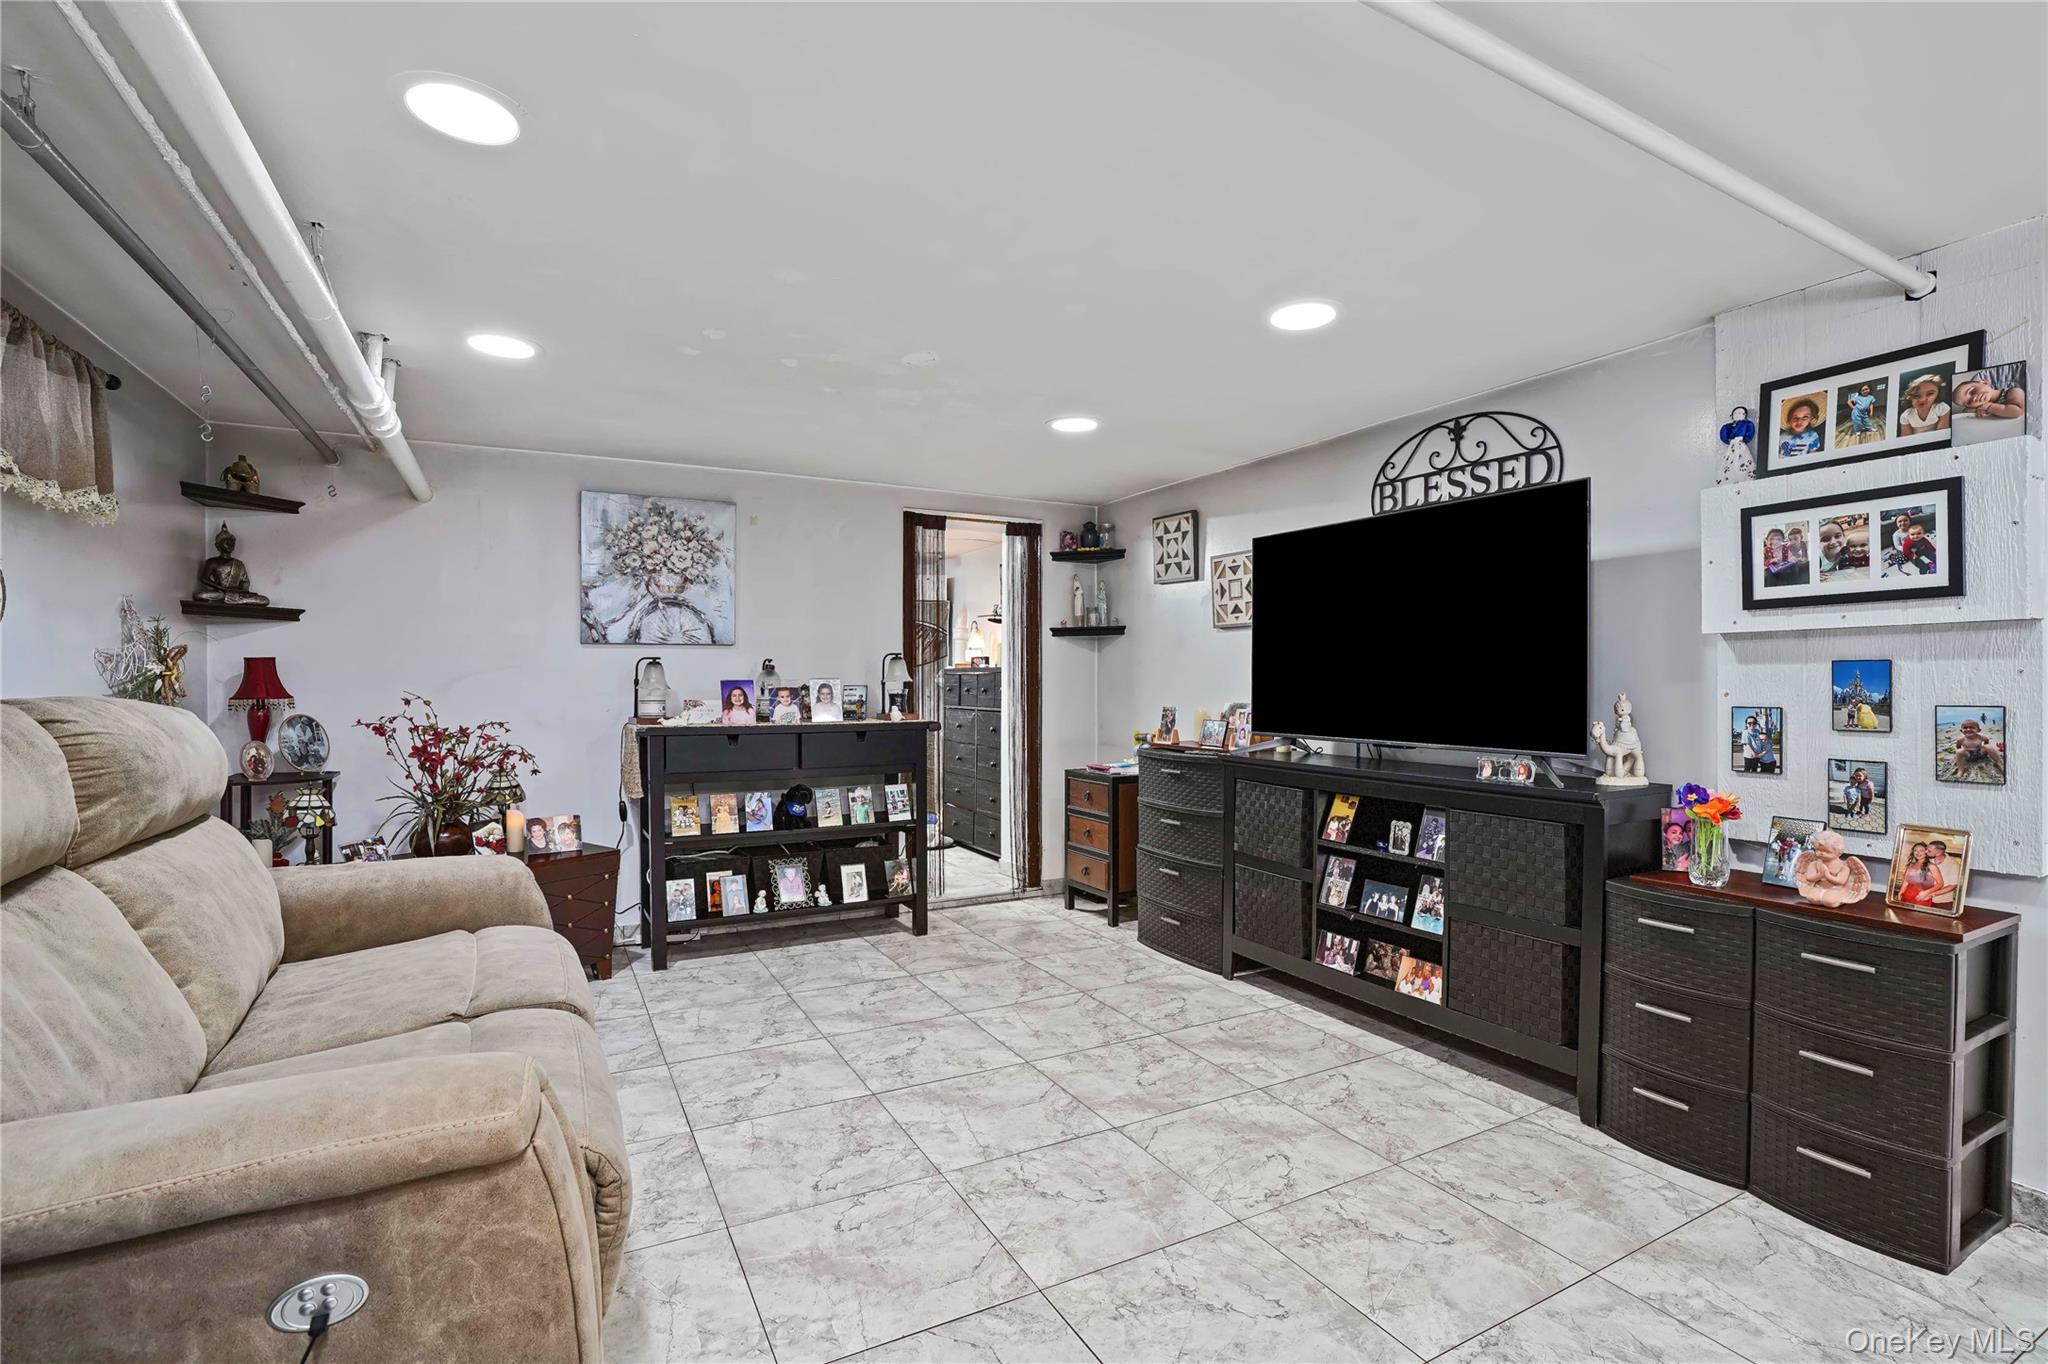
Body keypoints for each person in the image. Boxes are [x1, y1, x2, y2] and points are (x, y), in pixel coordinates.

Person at [1898, 842, 1938, 907]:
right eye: (1915, 850)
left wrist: (1927, 892)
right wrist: (1900, 892)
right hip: (1906, 897)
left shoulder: (1931, 866)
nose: (1918, 853)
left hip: (1921, 899)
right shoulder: (1911, 865)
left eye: (1921, 850)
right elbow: (1906, 881)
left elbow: (1940, 884)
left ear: (1926, 852)